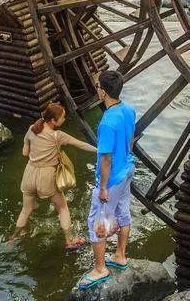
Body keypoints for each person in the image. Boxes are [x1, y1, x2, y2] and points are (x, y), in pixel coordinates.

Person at [77, 70, 136, 291]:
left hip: (112, 179)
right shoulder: (128, 110)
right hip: (128, 169)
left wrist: (102, 187)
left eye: (98, 87)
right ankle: (120, 255)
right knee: (123, 213)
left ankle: (100, 268)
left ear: (103, 91)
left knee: (97, 222)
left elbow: (105, 159)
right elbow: (130, 139)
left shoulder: (107, 123)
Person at [9, 102, 95, 249]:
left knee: (26, 209)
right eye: (62, 117)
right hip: (47, 177)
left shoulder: (31, 129)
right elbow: (80, 144)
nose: (64, 119)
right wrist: (100, 150)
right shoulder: (58, 136)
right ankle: (70, 240)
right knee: (62, 208)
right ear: (53, 121)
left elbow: (24, 153)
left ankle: (14, 237)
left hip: (29, 174)